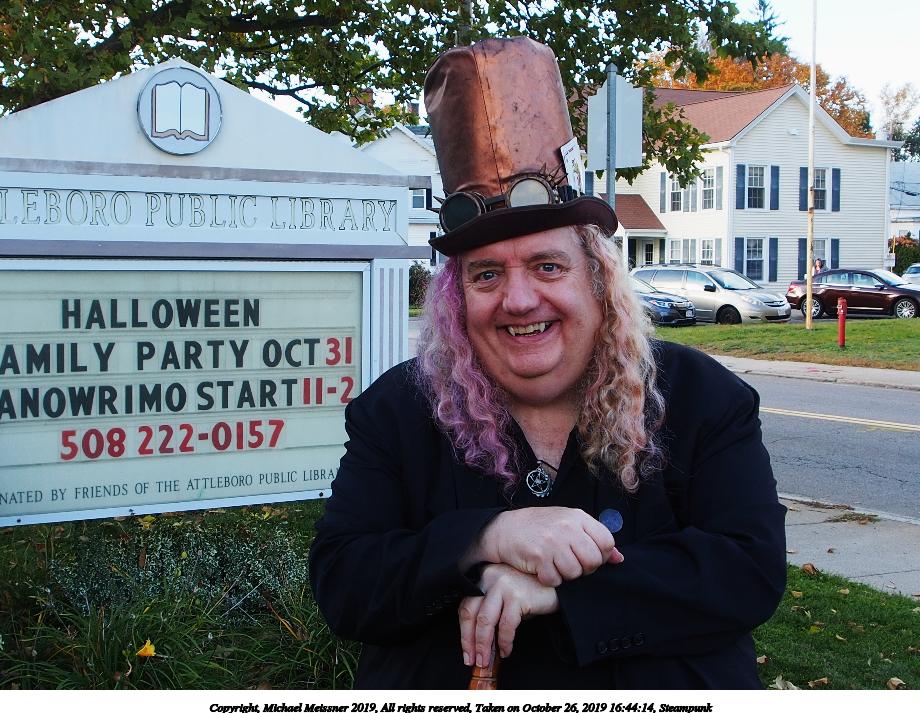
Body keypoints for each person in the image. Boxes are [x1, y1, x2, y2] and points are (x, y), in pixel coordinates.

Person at [309, 37, 786, 690]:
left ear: (597, 279)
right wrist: (487, 538)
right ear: (457, 298)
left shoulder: (701, 397)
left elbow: (748, 570)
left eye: (547, 266)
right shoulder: (399, 409)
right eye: (486, 274)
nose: (518, 299)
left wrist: (565, 593)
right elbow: (344, 581)